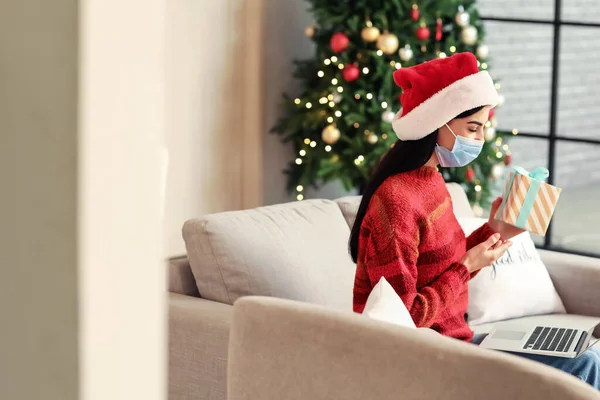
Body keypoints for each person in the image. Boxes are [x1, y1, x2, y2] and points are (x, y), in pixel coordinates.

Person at [349, 52, 600, 389]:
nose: (479, 140)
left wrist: (494, 230)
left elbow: (441, 264)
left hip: (458, 341)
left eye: (483, 128)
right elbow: (402, 318)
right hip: (429, 357)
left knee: (581, 354)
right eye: (472, 128)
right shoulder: (396, 201)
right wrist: (466, 267)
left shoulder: (431, 181)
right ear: (438, 122)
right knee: (582, 366)